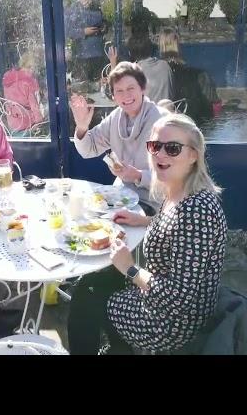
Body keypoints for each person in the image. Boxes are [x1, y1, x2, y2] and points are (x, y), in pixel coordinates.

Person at [67, 113, 227, 354]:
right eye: (154, 146)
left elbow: (177, 300)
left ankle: (118, 345)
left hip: (172, 325)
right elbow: (177, 232)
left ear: (193, 155)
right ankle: (118, 346)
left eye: (172, 148)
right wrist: (143, 220)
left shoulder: (197, 210)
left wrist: (130, 268)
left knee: (87, 300)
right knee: (89, 283)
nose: (160, 154)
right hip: (159, 296)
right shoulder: (178, 190)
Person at [69, 61, 168, 212]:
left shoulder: (162, 121)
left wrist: (139, 175)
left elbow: (175, 175)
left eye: (130, 88)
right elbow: (88, 150)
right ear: (113, 96)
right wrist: (82, 127)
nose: (125, 95)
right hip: (122, 197)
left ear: (143, 89)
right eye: (119, 91)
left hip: (154, 204)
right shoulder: (115, 118)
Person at [159, 27, 221, 124]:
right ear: (178, 45)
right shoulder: (199, 75)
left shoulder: (158, 74)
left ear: (161, 46)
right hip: (195, 124)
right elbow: (214, 106)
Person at [65, 0, 108, 82]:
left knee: (99, 82)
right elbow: (68, 32)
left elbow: (103, 21)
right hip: (83, 55)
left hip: (98, 53)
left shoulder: (96, 7)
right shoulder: (72, 10)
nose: (89, 1)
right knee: (85, 84)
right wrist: (84, 32)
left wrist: (104, 26)